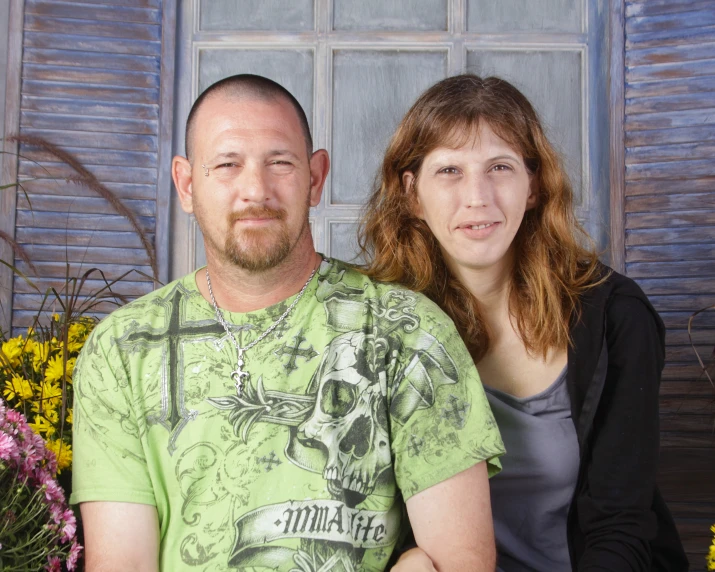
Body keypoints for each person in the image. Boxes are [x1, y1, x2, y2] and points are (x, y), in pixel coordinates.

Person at [70, 74, 505, 572]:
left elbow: (461, 563)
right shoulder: (122, 350)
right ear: (188, 185)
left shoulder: (405, 332)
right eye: (227, 165)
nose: (255, 190)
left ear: (315, 178)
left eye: (280, 163)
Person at [359, 74, 689, 571]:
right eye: (450, 170)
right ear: (412, 194)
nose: (478, 197)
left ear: (533, 185)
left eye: (500, 167)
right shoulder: (378, 323)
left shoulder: (616, 316)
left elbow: (620, 525)